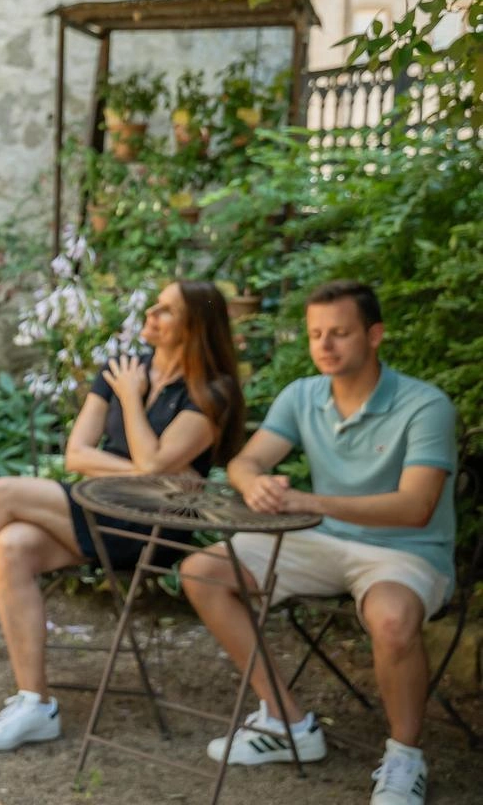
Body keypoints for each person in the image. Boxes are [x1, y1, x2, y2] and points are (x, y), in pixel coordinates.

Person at [0, 280, 245, 751]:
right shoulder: (123, 368)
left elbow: (150, 465)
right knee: (12, 546)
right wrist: (154, 472)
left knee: (2, 492)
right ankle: (35, 705)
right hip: (101, 509)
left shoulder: (210, 392)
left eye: (166, 310)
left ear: (196, 326)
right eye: (154, 304)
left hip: (156, 530)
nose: (151, 313)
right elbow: (78, 454)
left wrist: (131, 402)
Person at [181, 280, 456, 805]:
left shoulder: (426, 406)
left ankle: (404, 758)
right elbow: (245, 459)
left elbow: (414, 506)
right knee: (201, 571)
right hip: (321, 543)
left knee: (394, 622)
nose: (325, 346)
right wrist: (254, 482)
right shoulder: (303, 395)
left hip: (405, 551)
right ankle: (287, 722)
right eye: (315, 335)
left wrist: (311, 502)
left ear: (374, 335)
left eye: (340, 333)